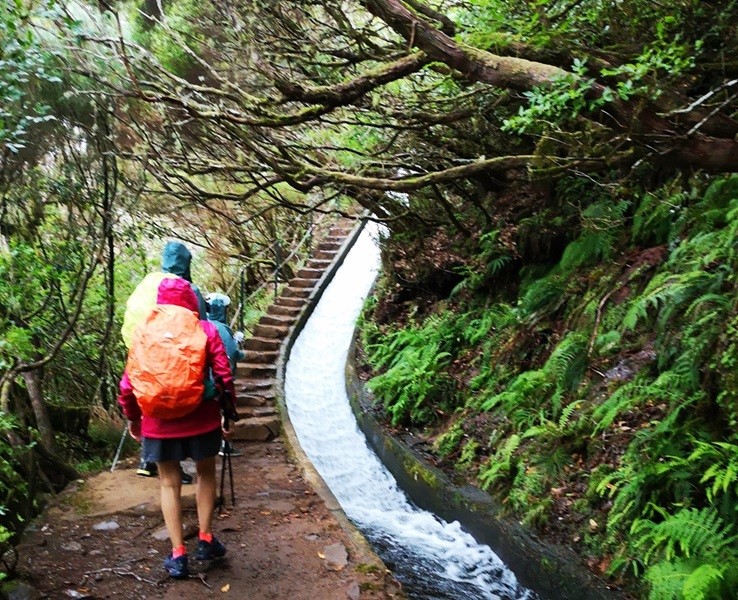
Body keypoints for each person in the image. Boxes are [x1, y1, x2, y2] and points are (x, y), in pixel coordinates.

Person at [118, 277, 236, 579]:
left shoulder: (142, 331)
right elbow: (223, 374)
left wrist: (133, 419)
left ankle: (178, 553)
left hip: (158, 422)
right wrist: (228, 414)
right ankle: (206, 539)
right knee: (205, 473)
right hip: (202, 417)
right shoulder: (205, 329)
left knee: (169, 483)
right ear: (192, 302)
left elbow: (127, 384)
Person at [133, 241, 208, 482]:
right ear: (186, 263)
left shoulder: (147, 283)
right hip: (175, 354)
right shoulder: (187, 288)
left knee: (151, 398)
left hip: (142, 348)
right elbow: (202, 329)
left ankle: (148, 459)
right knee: (177, 398)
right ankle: (175, 463)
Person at [205, 293, 246, 457]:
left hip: (203, 378)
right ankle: (225, 445)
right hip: (219, 377)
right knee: (225, 408)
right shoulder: (222, 329)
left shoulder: (203, 325)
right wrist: (241, 348)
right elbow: (232, 353)